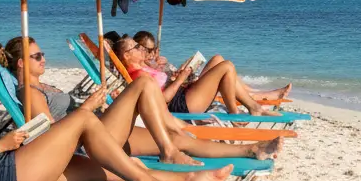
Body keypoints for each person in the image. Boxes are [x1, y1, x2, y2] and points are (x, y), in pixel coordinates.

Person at [0, 50, 234, 181]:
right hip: (2, 174)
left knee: (108, 171)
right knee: (84, 118)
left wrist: (13, 142)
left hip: (13, 161)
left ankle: (189, 177)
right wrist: (1, 144)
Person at [0, 38, 279, 163]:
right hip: (85, 142)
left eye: (42, 54)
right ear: (21, 64)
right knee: (143, 82)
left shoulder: (42, 85)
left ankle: (248, 150)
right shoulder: (29, 92)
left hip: (97, 130)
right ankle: (169, 148)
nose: (43, 59)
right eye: (37, 56)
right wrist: (86, 108)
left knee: (178, 141)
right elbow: (47, 134)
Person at [113, 36, 270, 116]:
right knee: (226, 67)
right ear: (126, 56)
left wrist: (176, 78)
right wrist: (180, 79)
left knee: (218, 59)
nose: (141, 48)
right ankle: (241, 111)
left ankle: (249, 105)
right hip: (182, 104)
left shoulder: (144, 68)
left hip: (184, 94)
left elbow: (162, 87)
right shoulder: (139, 75)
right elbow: (163, 99)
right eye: (136, 47)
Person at [134, 30, 292, 101]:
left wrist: (176, 69)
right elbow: (163, 94)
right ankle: (261, 96)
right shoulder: (142, 72)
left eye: (154, 50)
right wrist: (176, 78)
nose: (152, 54)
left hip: (187, 84)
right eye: (149, 51)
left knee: (218, 59)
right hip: (185, 92)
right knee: (224, 67)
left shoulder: (154, 63)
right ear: (139, 49)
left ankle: (256, 91)